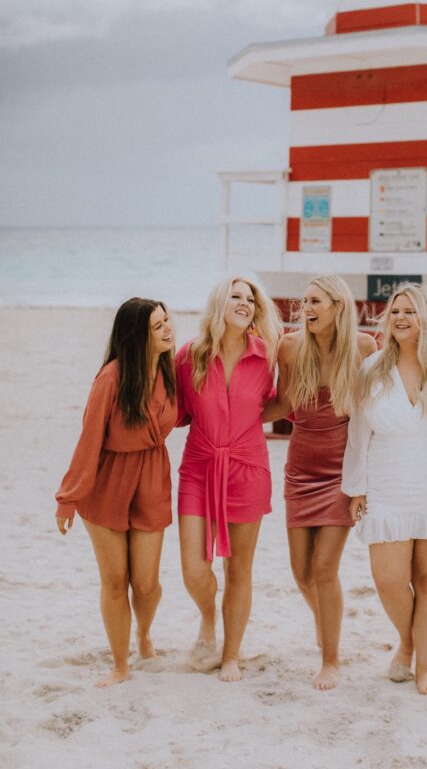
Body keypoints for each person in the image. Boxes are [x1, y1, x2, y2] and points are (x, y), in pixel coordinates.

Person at [342, 283, 427, 696]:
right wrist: (357, 485)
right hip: (387, 481)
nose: (400, 317)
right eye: (395, 310)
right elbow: (359, 431)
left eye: (411, 311)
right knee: (388, 580)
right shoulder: (373, 368)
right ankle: (408, 640)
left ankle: (425, 663)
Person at [55, 297, 177, 687]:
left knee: (146, 583)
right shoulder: (111, 377)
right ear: (137, 335)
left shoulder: (169, 371)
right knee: (114, 580)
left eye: (168, 321)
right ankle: (120, 665)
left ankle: (143, 632)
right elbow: (88, 440)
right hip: (107, 483)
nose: (169, 329)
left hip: (152, 479)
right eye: (158, 326)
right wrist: (69, 498)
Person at [271, 274, 376, 690]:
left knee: (324, 567)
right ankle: (325, 621)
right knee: (301, 572)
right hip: (300, 468)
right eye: (305, 302)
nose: (307, 309)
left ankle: (330, 658)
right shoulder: (291, 347)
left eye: (316, 302)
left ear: (338, 305)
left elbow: (380, 404)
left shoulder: (365, 348)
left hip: (342, 472)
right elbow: (281, 403)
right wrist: (230, 414)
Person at [174, 277, 282, 682]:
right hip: (199, 467)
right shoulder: (189, 356)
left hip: (248, 468)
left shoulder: (268, 357)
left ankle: (232, 654)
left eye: (250, 299)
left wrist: (248, 420)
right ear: (219, 303)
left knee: (239, 569)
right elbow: (177, 409)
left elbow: (282, 403)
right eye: (236, 297)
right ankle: (207, 616)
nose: (245, 304)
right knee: (193, 568)